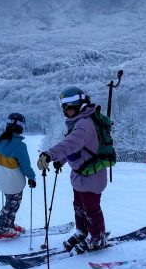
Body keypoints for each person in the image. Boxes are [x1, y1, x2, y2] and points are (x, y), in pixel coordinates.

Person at [37, 86, 108, 252]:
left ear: (79, 105)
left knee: (91, 209)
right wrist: (60, 160)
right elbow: (75, 146)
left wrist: (50, 155)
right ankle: (82, 232)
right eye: (65, 108)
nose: (66, 111)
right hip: (81, 175)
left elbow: (71, 143)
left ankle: (97, 238)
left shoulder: (84, 124)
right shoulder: (78, 122)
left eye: (69, 107)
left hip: (92, 174)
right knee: (78, 206)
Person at [0, 113, 36, 239]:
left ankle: (8, 224)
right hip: (15, 183)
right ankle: (0, 229)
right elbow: (26, 166)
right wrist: (32, 178)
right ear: (21, 127)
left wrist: (0, 174)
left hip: (3, 180)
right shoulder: (20, 146)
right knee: (11, 206)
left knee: (10, 203)